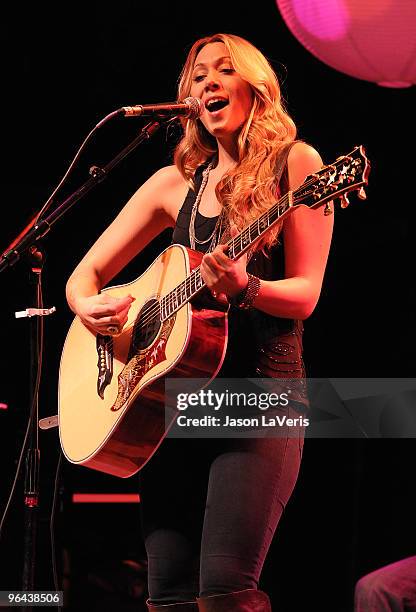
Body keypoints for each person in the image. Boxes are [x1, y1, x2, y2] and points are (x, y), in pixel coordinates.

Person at [66, 33, 334, 611]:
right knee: (166, 593)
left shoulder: (301, 165)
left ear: (256, 87)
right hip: (176, 403)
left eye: (223, 71)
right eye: (198, 75)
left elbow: (307, 294)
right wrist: (87, 305)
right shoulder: (173, 184)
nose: (208, 82)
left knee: (224, 591)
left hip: (261, 398)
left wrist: (248, 286)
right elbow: (81, 278)